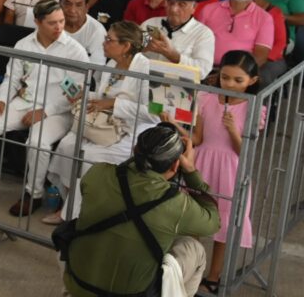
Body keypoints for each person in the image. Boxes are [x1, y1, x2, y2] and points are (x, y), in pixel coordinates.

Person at [61, 123, 220, 297]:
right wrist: (190, 171)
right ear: (176, 166)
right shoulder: (176, 204)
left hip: (77, 283)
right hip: (131, 294)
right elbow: (213, 221)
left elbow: (123, 179)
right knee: (195, 249)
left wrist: (142, 157)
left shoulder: (97, 173)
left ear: (135, 150)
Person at [0, 0, 88, 216]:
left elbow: (74, 92)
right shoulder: (24, 44)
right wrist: (1, 100)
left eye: (61, 21)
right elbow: (12, 77)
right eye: (52, 23)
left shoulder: (75, 51)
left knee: (38, 142)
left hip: (58, 111)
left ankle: (34, 193)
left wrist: (45, 111)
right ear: (38, 22)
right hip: (24, 102)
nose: (59, 27)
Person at [46, 21, 156, 224]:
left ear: (126, 46)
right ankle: (68, 205)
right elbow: (104, 94)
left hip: (129, 130)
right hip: (102, 123)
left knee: (87, 155)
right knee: (67, 145)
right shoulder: (112, 64)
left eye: (109, 40)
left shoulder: (146, 68)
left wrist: (114, 104)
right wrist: (84, 95)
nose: (104, 43)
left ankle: (75, 217)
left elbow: (153, 113)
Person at [194, 50, 269, 293]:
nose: (230, 84)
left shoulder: (253, 107)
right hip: (203, 162)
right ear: (218, 76)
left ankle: (213, 275)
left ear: (252, 81)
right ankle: (190, 270)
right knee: (194, 217)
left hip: (230, 169)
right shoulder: (206, 98)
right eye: (225, 78)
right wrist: (174, 124)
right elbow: (198, 137)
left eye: (238, 80)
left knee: (223, 223)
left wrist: (234, 132)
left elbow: (244, 151)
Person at [198, 0, 273, 68]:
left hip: (238, 75)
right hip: (203, 67)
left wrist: (232, 73)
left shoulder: (264, 18)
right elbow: (195, 40)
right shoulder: (209, 9)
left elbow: (261, 55)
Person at [140, 0, 217, 79]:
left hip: (179, 89)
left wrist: (174, 56)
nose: (174, 9)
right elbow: (133, 53)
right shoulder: (149, 25)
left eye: (182, 4)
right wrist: (143, 48)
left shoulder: (203, 34)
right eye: (170, 3)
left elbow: (202, 71)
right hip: (144, 83)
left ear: (194, 7)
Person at [60, 0, 105, 64]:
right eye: (67, 4)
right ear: (59, 5)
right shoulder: (48, 23)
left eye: (78, 5)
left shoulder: (97, 30)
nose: (72, 10)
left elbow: (96, 66)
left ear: (87, 7)